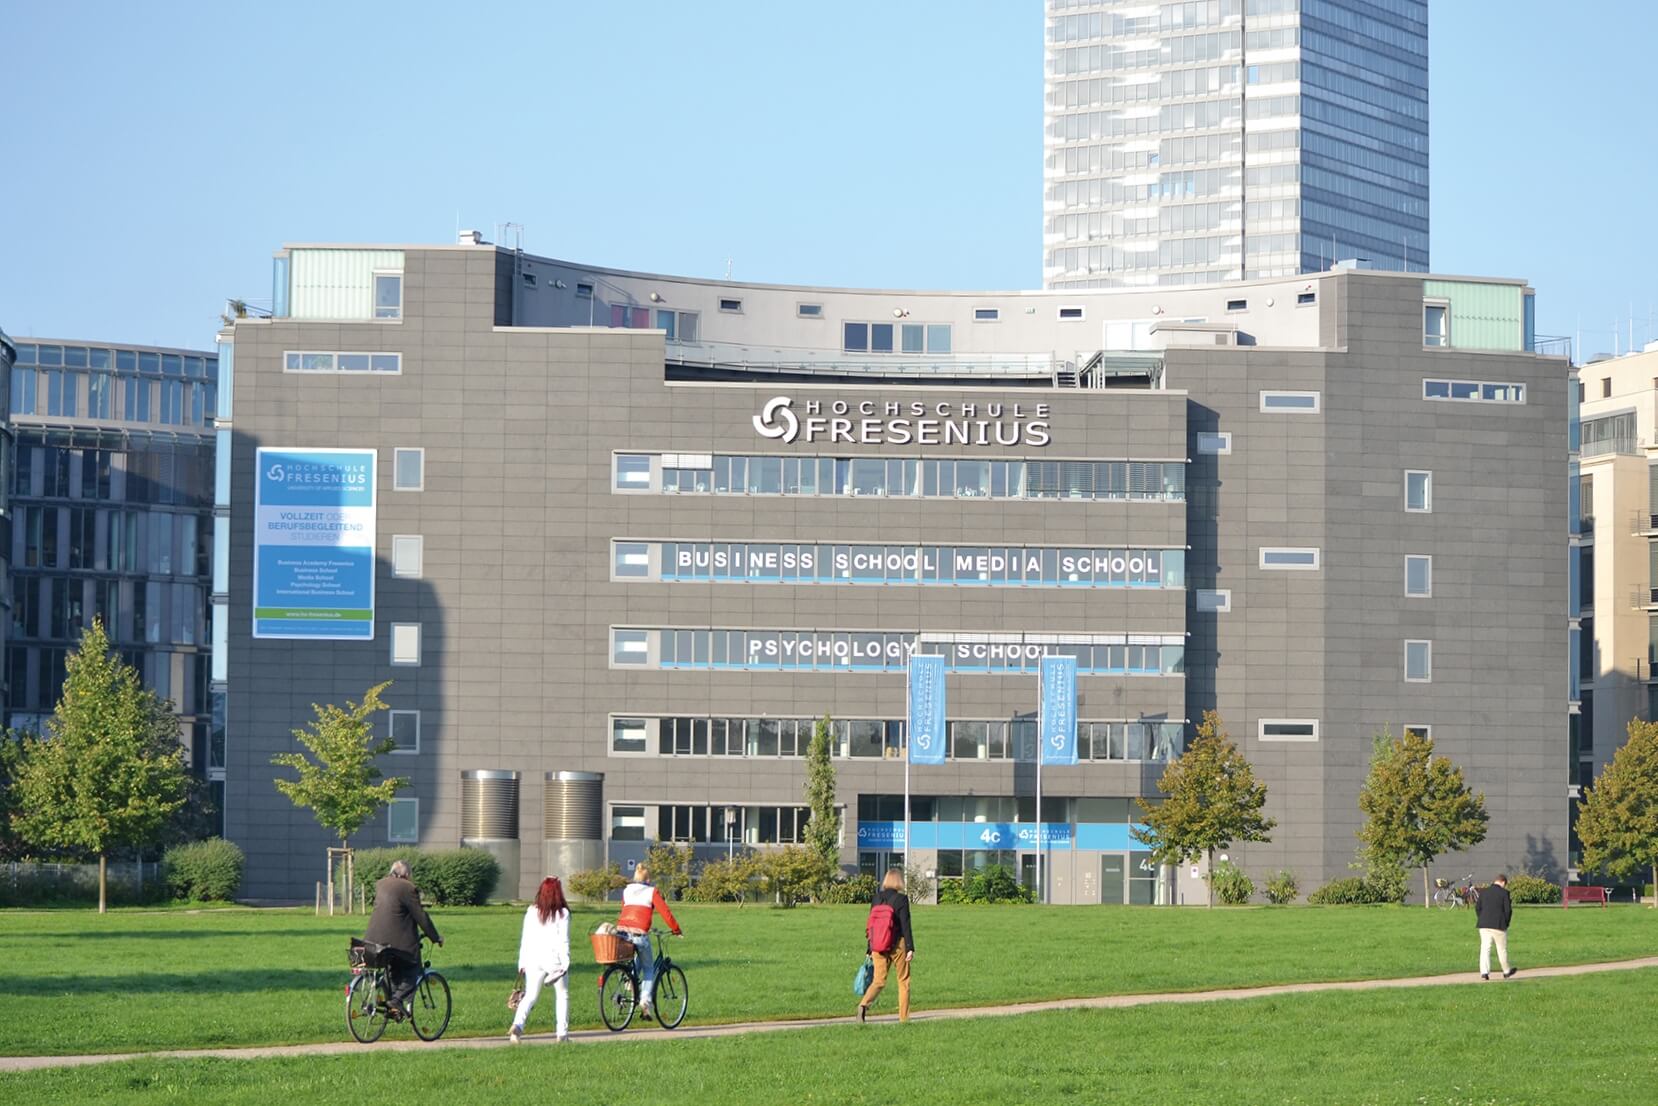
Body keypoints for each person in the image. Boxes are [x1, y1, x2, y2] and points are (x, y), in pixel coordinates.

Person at [362, 859, 442, 1016]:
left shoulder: (381, 884)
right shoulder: (408, 888)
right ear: (406, 874)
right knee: (413, 968)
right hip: (395, 943)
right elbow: (421, 916)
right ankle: (396, 1001)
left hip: (371, 940)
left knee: (393, 968)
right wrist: (435, 937)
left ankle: (392, 1006)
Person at [509, 877, 571, 1044]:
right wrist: (566, 962)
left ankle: (517, 1026)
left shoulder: (531, 911)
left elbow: (525, 938)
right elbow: (563, 940)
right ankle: (562, 1034)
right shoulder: (562, 914)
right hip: (554, 960)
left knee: (530, 995)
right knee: (562, 995)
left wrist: (522, 962)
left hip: (533, 958)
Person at [616, 863, 682, 1020]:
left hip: (623, 933)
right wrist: (676, 929)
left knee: (637, 959)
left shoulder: (627, 890)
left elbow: (626, 910)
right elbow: (665, 912)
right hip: (639, 934)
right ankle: (645, 1001)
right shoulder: (651, 891)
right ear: (648, 879)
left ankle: (629, 981)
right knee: (649, 968)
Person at [858, 867, 915, 1023]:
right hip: (898, 944)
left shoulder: (876, 898)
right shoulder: (901, 899)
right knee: (903, 981)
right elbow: (905, 925)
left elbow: (871, 926)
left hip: (878, 945)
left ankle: (863, 1004)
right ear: (899, 881)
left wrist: (869, 948)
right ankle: (904, 1018)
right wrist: (910, 947)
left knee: (879, 980)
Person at [1476, 872, 1517, 981]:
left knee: (1485, 948)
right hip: (1498, 925)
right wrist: (1506, 923)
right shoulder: (1504, 893)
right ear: (1503, 882)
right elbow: (1508, 910)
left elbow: (1478, 908)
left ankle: (1484, 972)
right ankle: (1506, 971)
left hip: (1484, 924)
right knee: (1501, 949)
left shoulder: (1484, 892)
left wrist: (1482, 918)